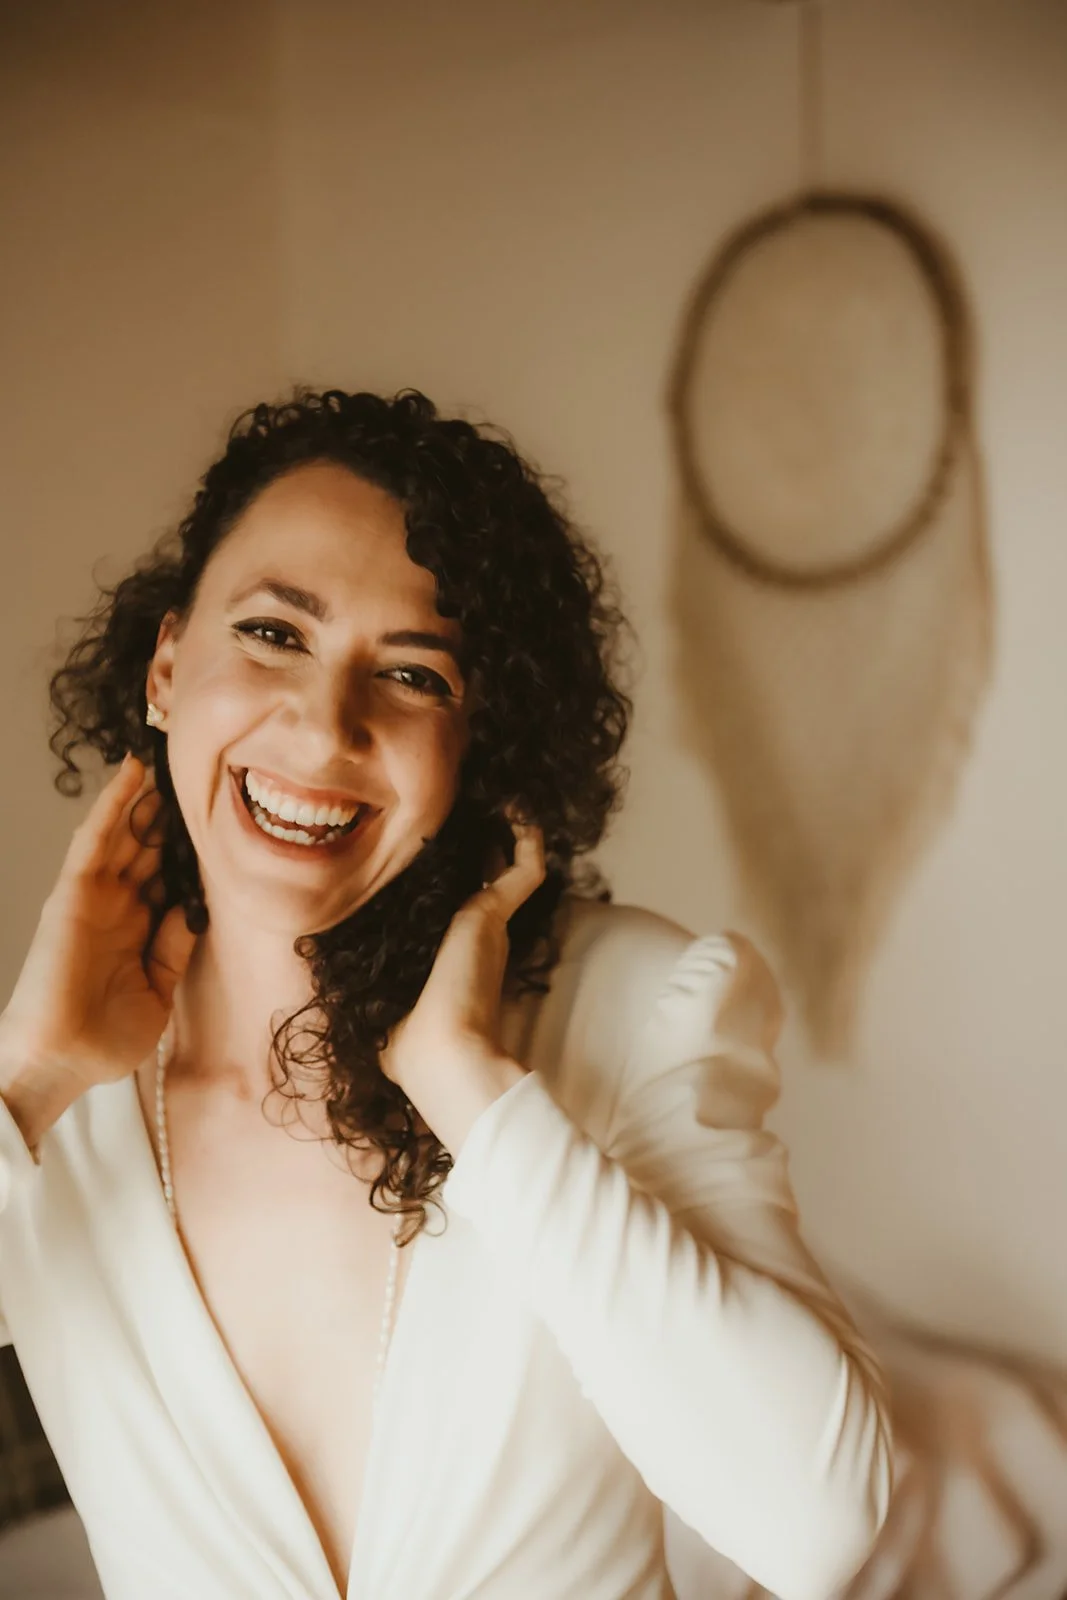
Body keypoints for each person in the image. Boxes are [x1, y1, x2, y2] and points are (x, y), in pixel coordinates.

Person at [0, 388, 892, 1600]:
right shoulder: (49, 1115)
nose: (324, 729)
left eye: (414, 675)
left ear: (479, 741)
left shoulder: (625, 1006)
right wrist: (29, 1078)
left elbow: (822, 1528)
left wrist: (478, 1099)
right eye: (273, 632)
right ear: (165, 667)